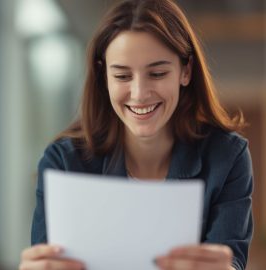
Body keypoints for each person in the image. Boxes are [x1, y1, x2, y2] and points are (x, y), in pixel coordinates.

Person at [19, 0, 253, 269]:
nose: (140, 93)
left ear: (185, 71)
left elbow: (232, 259)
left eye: (157, 73)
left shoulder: (227, 156)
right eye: (122, 76)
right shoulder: (63, 163)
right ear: (103, 75)